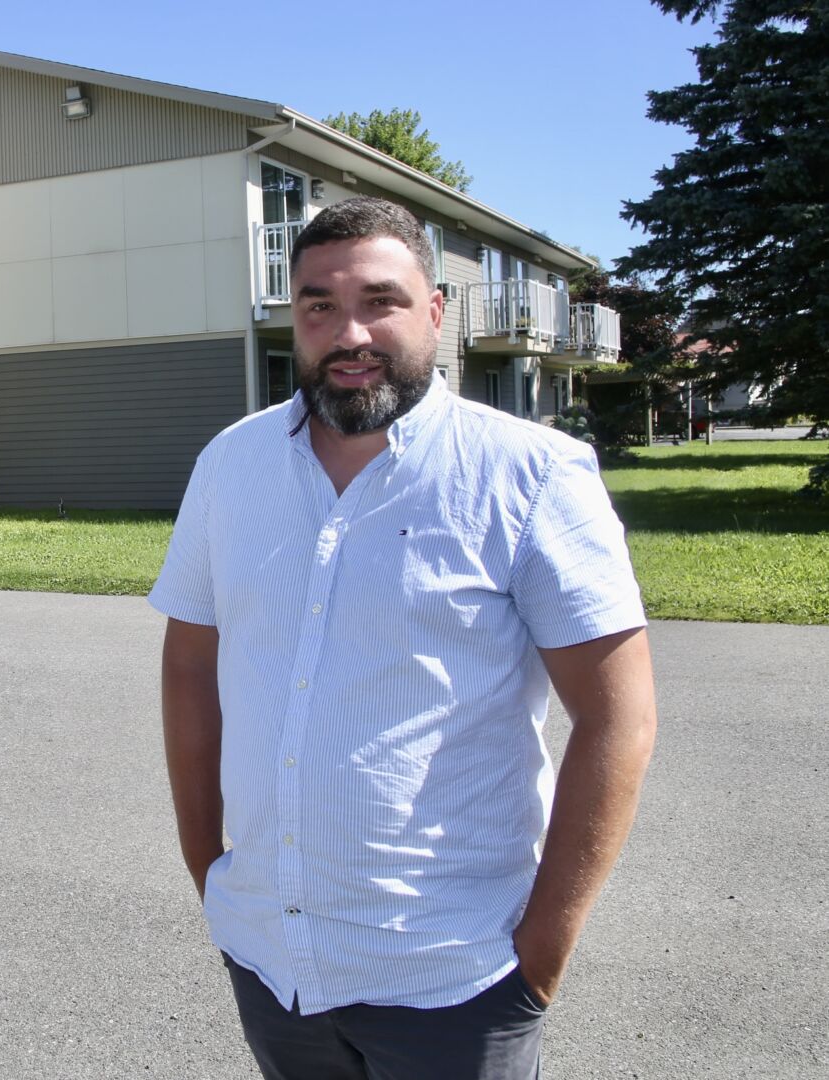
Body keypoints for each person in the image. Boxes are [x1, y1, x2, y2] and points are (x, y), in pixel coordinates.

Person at [149, 196, 657, 1080]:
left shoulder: (528, 474)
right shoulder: (231, 464)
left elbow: (619, 717)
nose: (349, 332)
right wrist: (214, 876)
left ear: (433, 310)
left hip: (454, 983)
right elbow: (191, 665)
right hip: (274, 966)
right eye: (318, 306)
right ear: (292, 319)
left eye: (379, 301)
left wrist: (539, 960)